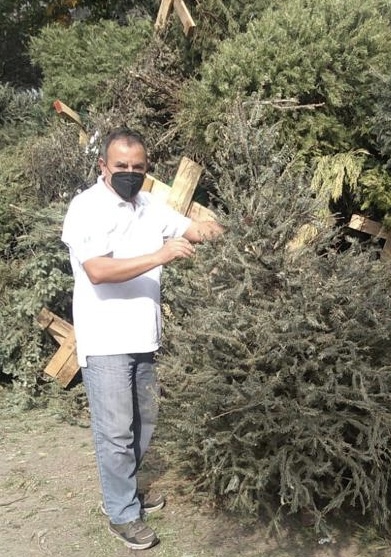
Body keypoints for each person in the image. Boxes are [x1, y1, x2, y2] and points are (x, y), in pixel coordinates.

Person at [61, 127, 223, 550]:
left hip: (145, 337)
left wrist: (235, 224)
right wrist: (160, 254)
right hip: (106, 339)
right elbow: (98, 270)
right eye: (121, 167)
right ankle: (120, 512)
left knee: (144, 423)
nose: (130, 173)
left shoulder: (151, 205)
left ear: (147, 168)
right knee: (115, 432)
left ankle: (125, 493)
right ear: (103, 166)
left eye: (138, 167)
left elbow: (194, 231)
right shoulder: (86, 208)